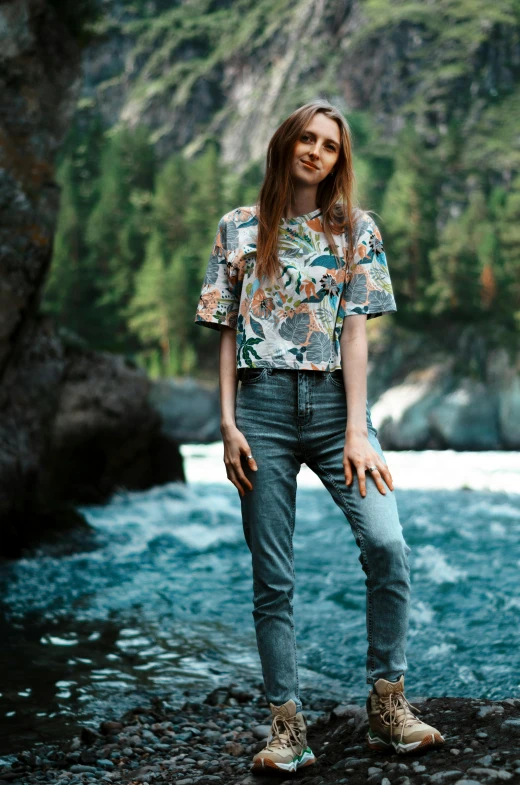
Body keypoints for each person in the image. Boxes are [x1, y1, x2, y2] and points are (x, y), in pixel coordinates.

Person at [194, 99, 445, 773]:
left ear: (339, 159)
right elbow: (224, 333)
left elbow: (357, 330)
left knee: (387, 544)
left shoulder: (356, 229)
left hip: (338, 405)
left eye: (329, 145)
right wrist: (227, 425)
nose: (315, 151)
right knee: (272, 578)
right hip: (261, 411)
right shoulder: (238, 228)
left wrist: (360, 429)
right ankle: (286, 729)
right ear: (285, 144)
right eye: (306, 138)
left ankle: (387, 708)